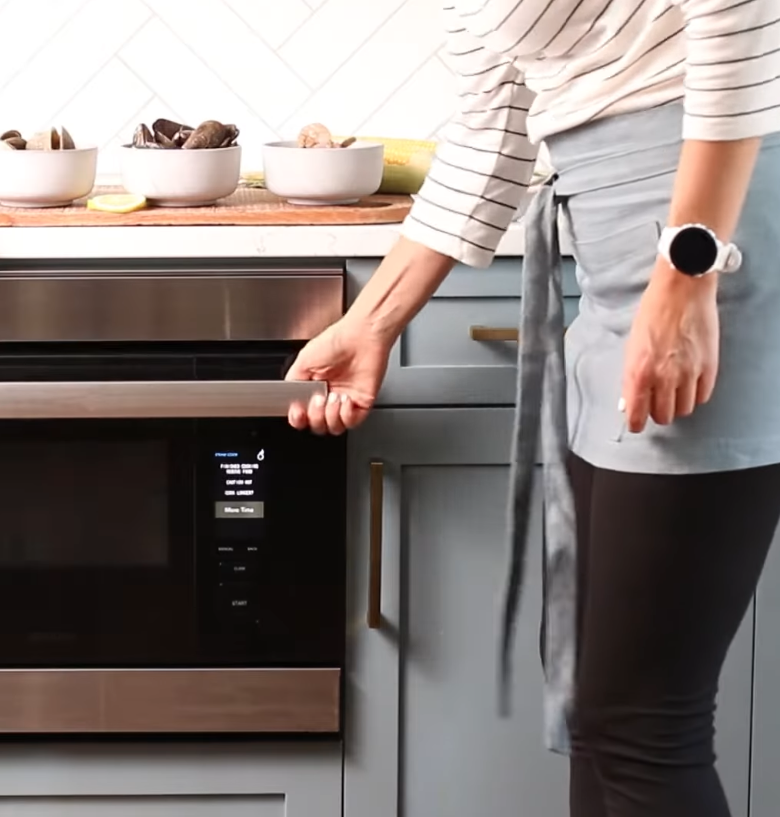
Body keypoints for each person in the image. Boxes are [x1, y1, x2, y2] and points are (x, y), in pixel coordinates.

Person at [283, 1, 780, 815]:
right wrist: (370, 323)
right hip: (619, 249)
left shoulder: (693, 261)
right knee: (597, 708)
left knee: (640, 721)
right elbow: (494, 125)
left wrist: (687, 269)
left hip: (712, 236)